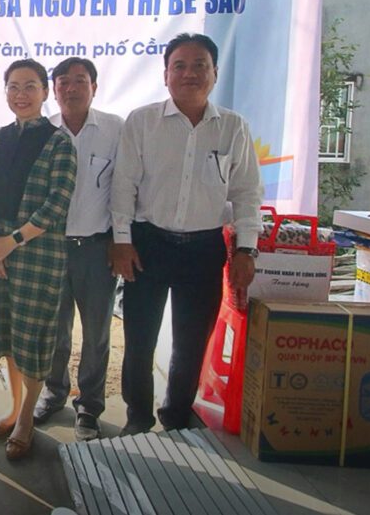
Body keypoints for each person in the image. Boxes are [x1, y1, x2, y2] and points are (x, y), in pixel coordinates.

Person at [110, 32, 262, 435]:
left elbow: (247, 192)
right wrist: (122, 240)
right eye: (180, 65)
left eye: (200, 66)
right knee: (139, 341)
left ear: (214, 74)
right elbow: (123, 184)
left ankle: (176, 416)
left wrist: (247, 248)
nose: (189, 73)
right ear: (166, 75)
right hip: (148, 244)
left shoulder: (233, 127)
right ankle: (138, 416)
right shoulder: (142, 121)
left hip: (204, 249)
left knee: (191, 344)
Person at [0, 58, 77, 461]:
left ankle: (27, 420)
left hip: (38, 253)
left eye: (30, 86)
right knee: (9, 335)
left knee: (33, 337)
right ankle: (14, 407)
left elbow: (57, 204)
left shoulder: (60, 141)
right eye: (13, 87)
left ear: (45, 92)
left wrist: (10, 242)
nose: (21, 95)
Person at [32, 57, 124, 442]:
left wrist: (122, 242)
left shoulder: (115, 130)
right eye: (63, 82)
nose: (71, 88)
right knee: (54, 329)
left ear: (94, 87)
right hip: (50, 247)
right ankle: (54, 391)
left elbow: (125, 191)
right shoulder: (41, 131)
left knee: (97, 333)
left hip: (96, 249)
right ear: (54, 90)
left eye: (80, 81)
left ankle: (89, 406)